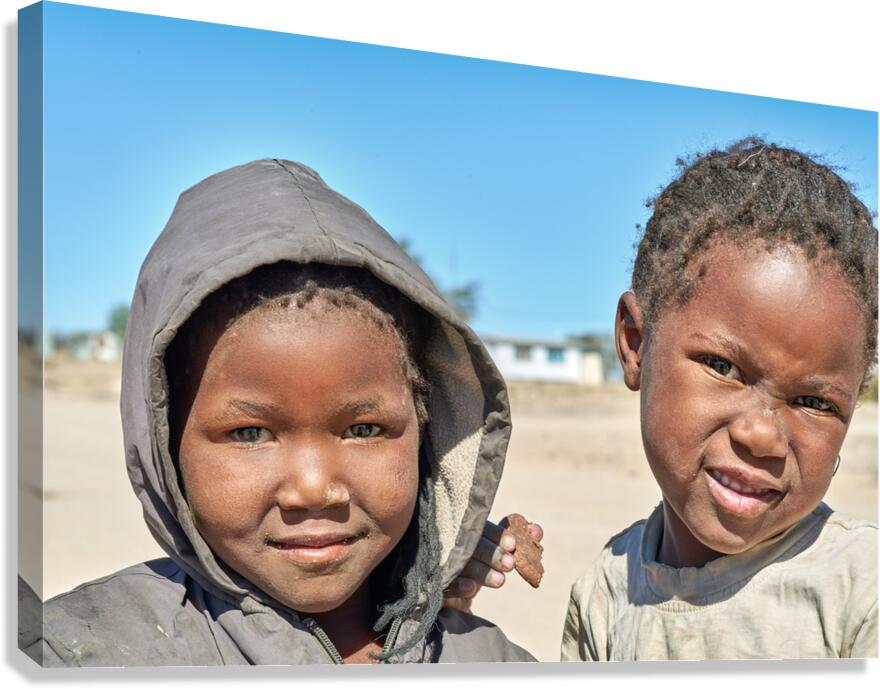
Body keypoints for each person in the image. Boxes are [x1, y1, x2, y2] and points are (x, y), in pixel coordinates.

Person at [21, 159, 537, 666]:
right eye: (249, 433)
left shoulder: (494, 663)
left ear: (426, 432)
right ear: (166, 446)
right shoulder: (81, 655)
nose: (314, 489)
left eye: (363, 428)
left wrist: (430, 574)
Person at [561, 138, 878, 661]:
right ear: (636, 344)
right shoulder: (606, 593)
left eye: (814, 402)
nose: (763, 436)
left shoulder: (860, 594)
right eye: (723, 367)